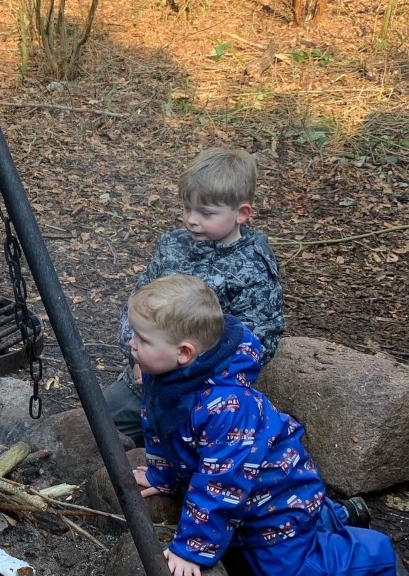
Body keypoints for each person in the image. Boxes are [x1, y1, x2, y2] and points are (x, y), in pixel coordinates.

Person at [129, 274, 401, 576]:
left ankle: (374, 555)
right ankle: (336, 516)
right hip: (247, 501)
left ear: (184, 352)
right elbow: (159, 430)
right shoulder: (166, 378)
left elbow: (222, 482)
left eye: (143, 339)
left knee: (286, 570)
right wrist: (162, 476)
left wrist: (192, 548)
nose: (132, 344)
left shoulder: (228, 407)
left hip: (276, 507)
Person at [104, 147, 285, 445]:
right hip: (143, 380)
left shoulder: (252, 269)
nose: (191, 220)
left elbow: (258, 340)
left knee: (184, 448)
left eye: (206, 213)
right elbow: (138, 301)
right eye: (187, 208)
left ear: (242, 213)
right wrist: (135, 354)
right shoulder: (173, 246)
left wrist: (191, 372)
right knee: (95, 425)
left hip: (204, 392)